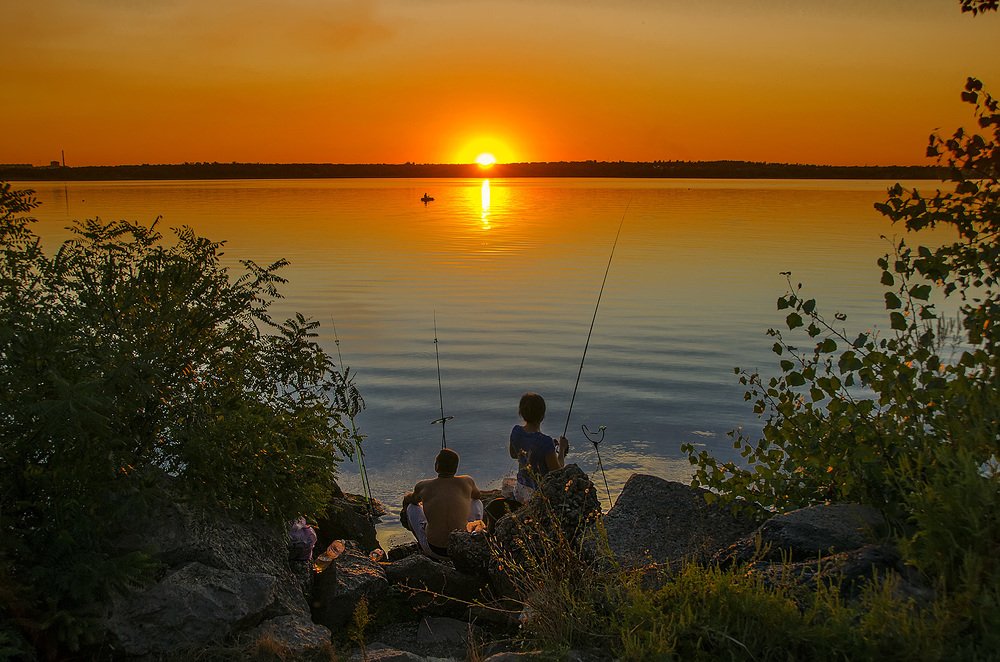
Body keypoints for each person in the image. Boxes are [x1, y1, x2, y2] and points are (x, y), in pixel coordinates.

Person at [401, 448, 484, 558]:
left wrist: (407, 497)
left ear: (437, 466)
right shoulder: (467, 481)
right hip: (461, 546)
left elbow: (411, 500)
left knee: (412, 507)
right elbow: (477, 496)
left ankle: (422, 547)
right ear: (456, 467)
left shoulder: (423, 486)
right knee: (476, 502)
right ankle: (472, 533)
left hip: (435, 550)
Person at [508, 392, 569, 504]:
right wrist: (562, 451)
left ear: (521, 413)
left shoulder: (516, 431)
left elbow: (513, 454)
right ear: (542, 416)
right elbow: (557, 472)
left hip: (520, 490)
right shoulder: (546, 442)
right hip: (537, 495)